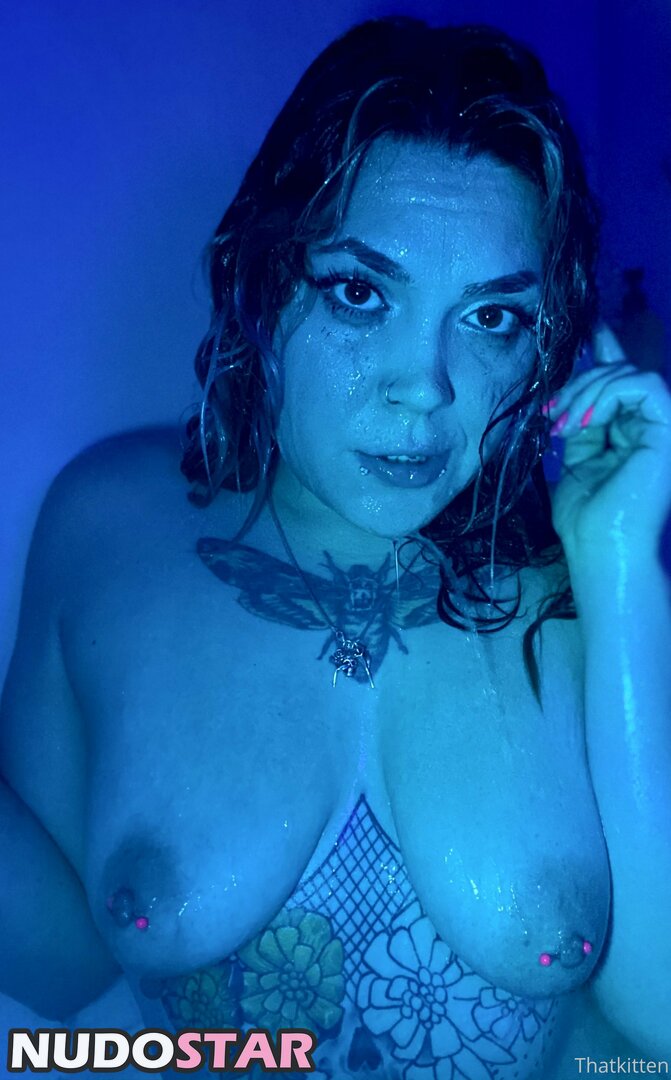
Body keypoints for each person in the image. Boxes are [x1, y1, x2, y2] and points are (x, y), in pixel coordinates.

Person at [2, 15, 671, 1079]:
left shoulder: (578, 581)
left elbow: (662, 1026)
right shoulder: (105, 523)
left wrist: (621, 563)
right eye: (360, 293)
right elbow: (66, 971)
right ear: (266, 281)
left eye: (491, 319)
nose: (425, 388)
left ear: (546, 338)